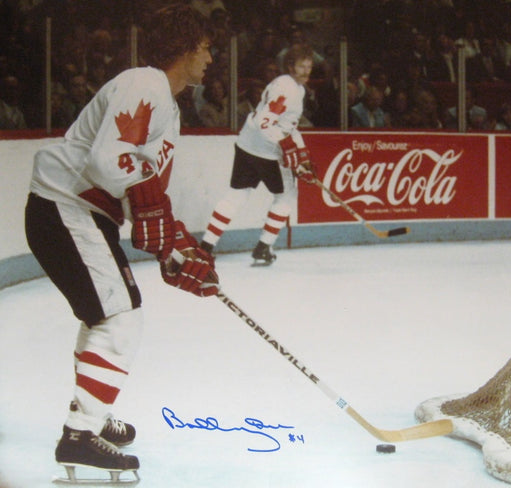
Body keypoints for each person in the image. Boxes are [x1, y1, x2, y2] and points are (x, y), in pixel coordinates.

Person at [24, 4, 218, 482]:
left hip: (80, 213)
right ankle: (80, 433)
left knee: (106, 315)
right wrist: (154, 217)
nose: (212, 58)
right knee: (121, 319)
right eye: (207, 48)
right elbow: (108, 165)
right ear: (186, 47)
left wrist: (176, 249)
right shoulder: (144, 84)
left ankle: (91, 409)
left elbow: (142, 194)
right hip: (64, 207)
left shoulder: (166, 106)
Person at [199, 43, 316, 265]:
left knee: (236, 195)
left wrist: (300, 151)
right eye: (302, 66)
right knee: (286, 197)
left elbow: (285, 125)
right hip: (267, 151)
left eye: (309, 67)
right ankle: (263, 247)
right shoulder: (288, 89)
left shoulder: (291, 87)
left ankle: (205, 247)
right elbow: (265, 123)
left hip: (246, 145)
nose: (306, 71)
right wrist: (286, 146)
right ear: (290, 66)